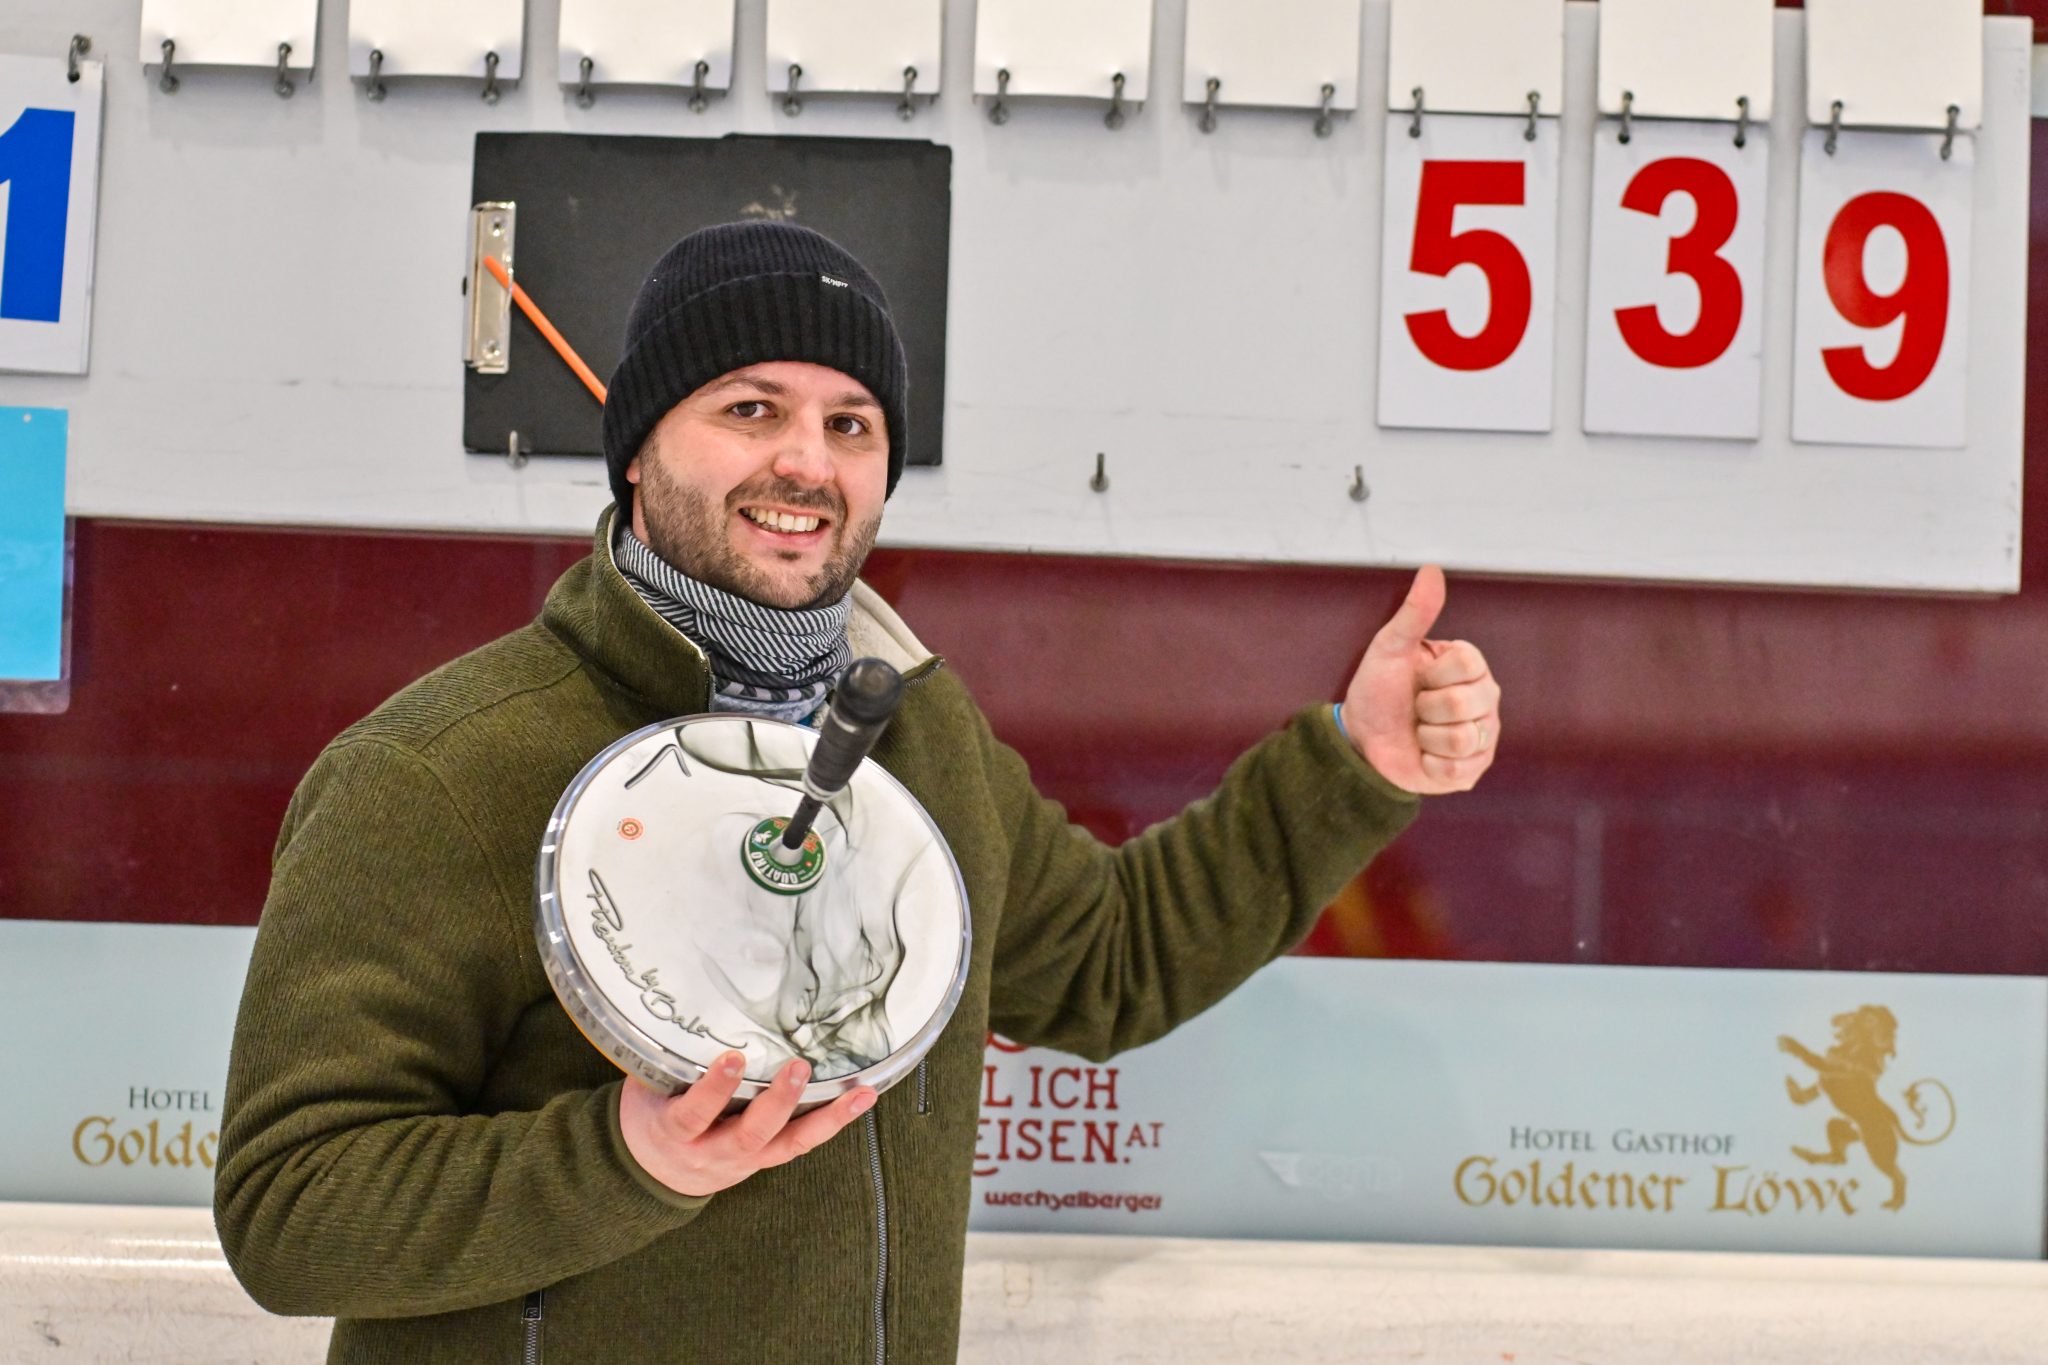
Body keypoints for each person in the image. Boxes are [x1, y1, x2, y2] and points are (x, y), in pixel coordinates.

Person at [214, 221, 1502, 1363]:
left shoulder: (917, 730)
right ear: (636, 452)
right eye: (749, 408)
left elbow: (1112, 961)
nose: (807, 464)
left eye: (851, 425)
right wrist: (624, 1159)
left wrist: (1353, 762)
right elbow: (292, 1211)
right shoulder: (437, 771)